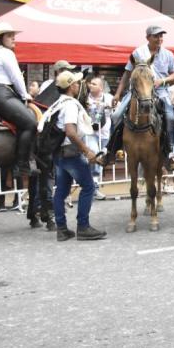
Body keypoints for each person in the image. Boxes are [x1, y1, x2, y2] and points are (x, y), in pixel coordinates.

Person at [100, 25, 174, 172]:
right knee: (116, 115)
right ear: (148, 37)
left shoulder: (168, 54)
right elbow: (127, 74)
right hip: (137, 91)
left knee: (170, 117)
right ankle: (110, 151)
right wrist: (118, 94)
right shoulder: (138, 53)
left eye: (161, 36)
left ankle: (170, 153)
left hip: (160, 91)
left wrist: (161, 81)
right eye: (156, 36)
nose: (159, 39)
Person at [42, 70, 106, 241]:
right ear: (71, 86)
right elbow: (70, 132)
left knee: (61, 191)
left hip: (59, 154)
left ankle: (62, 229)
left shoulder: (57, 104)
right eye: (77, 83)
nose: (79, 85)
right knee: (89, 187)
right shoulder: (70, 104)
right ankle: (83, 227)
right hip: (70, 153)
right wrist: (87, 151)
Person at [0, 23, 38, 176]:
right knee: (30, 123)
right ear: (0, 38)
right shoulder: (6, 53)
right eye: (9, 36)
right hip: (1, 93)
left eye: (13, 35)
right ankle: (21, 164)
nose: (13, 38)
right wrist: (25, 95)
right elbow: (16, 76)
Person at [85, 75, 113, 200]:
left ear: (101, 87)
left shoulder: (109, 98)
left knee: (100, 159)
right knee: (95, 155)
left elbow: (117, 112)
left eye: (94, 84)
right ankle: (92, 188)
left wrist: (110, 107)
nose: (91, 85)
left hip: (105, 134)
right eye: (90, 83)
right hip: (90, 133)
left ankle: (94, 187)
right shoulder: (85, 99)